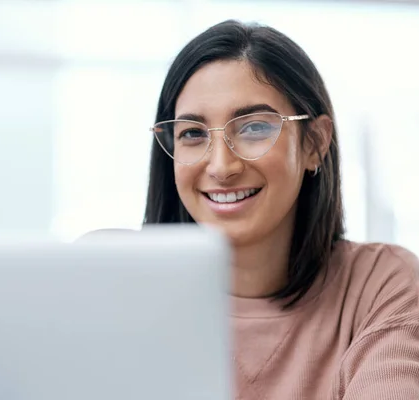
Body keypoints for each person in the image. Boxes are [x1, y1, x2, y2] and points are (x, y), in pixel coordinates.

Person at [143, 20, 419, 399]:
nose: (222, 167)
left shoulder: (380, 284)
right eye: (193, 134)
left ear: (314, 144)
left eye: (254, 127)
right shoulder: (119, 292)